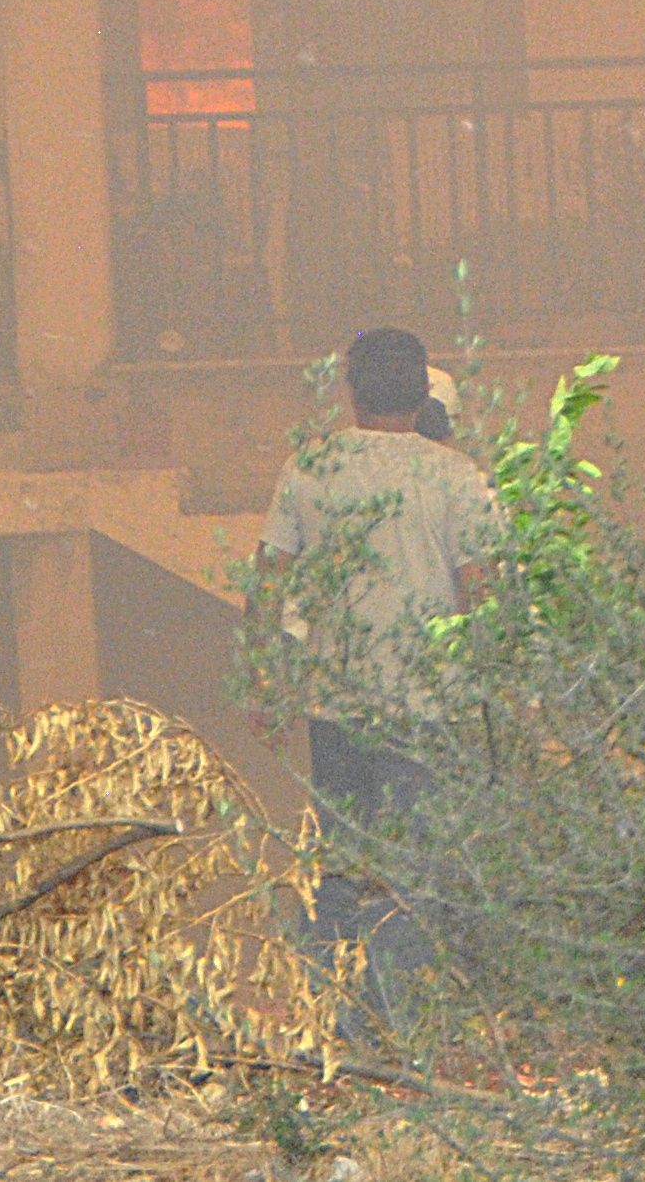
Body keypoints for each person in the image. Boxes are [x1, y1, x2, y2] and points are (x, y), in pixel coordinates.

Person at [253, 325, 501, 1018]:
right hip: (424, 710)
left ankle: (332, 1020)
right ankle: (400, 1032)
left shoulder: (310, 468)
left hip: (334, 709)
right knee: (410, 875)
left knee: (339, 864)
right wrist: (492, 688)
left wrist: (263, 679)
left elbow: (268, 580)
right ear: (423, 394)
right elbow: (481, 591)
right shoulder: (455, 477)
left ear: (350, 388)